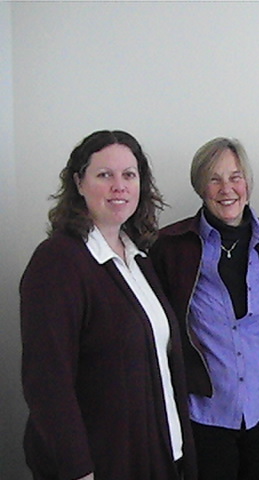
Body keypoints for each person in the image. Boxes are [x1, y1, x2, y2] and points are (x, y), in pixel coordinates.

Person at [20, 130, 197, 480]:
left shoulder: (140, 258)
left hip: (160, 455)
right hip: (102, 466)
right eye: (105, 175)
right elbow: (46, 382)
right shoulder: (58, 262)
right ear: (78, 183)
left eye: (129, 175)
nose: (120, 186)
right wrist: (78, 470)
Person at [149, 137, 259, 480]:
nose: (226, 188)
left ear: (248, 183)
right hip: (206, 412)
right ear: (201, 185)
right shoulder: (172, 247)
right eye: (214, 178)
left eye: (235, 177)